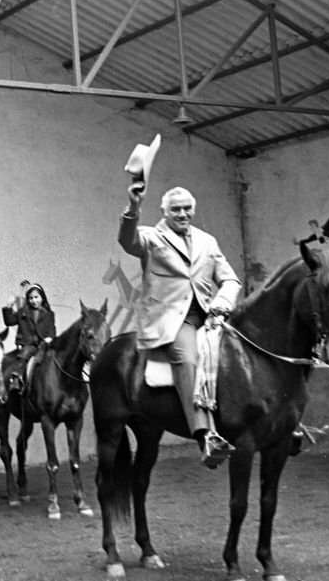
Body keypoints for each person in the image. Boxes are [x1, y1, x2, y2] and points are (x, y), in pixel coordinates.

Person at [119, 183, 242, 469]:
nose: (182, 214)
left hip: (211, 315)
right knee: (187, 357)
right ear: (164, 212)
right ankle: (206, 435)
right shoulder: (151, 237)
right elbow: (127, 241)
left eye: (187, 208)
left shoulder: (207, 241)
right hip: (174, 320)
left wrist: (222, 304)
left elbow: (231, 280)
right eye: (176, 209)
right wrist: (133, 207)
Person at [1, 282, 56, 392]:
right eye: (31, 298)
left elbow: (52, 329)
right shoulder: (23, 313)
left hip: (43, 344)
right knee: (24, 355)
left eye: (36, 297)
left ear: (42, 298)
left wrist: (50, 338)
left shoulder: (49, 314)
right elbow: (9, 321)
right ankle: (17, 378)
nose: (34, 301)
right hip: (28, 344)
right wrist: (8, 307)